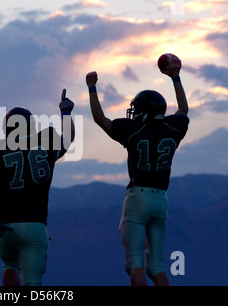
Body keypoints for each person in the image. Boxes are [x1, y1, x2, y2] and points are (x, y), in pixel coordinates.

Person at [86, 55, 189, 286]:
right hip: (161, 199)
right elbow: (183, 108)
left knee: (134, 263)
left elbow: (100, 119)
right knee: (158, 266)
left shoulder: (132, 130)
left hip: (138, 197)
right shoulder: (174, 128)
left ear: (141, 112)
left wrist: (92, 89)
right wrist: (176, 77)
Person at [0, 89, 75, 286]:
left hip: (4, 224)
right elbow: (68, 137)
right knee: (33, 283)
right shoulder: (46, 141)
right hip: (34, 223)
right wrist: (65, 112)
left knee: (9, 265)